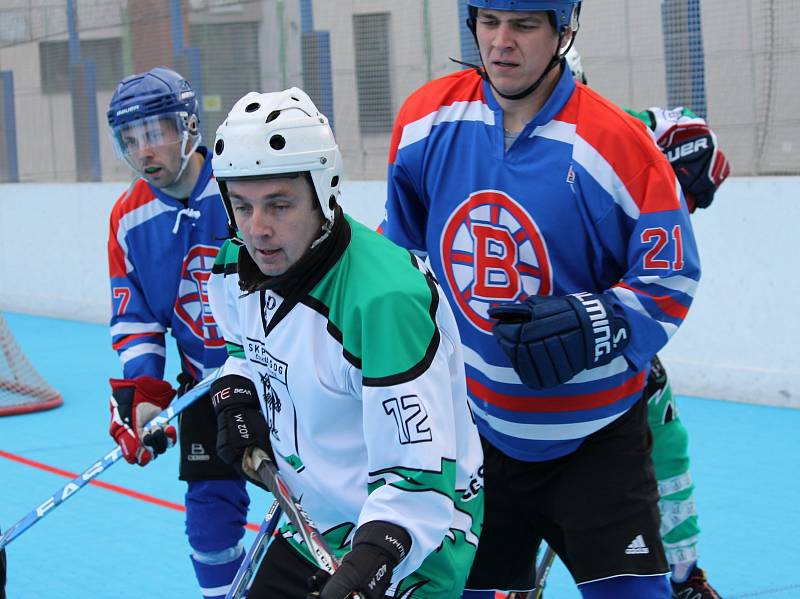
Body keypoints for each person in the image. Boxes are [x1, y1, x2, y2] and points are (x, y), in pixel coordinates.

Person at [381, 1, 702, 598]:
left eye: (525, 25)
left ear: (563, 31)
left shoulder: (618, 143)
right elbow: (402, 262)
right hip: (476, 438)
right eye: (489, 22)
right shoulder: (425, 121)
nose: (502, 42)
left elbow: (672, 276)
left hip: (598, 444)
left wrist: (599, 319)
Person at [206, 87, 484, 599]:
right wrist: (236, 395)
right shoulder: (234, 262)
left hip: (410, 545)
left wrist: (370, 565)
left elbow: (417, 481)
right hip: (308, 521)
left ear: (323, 191)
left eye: (279, 205)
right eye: (241, 206)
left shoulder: (383, 302)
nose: (258, 229)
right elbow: (242, 354)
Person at [567, 46, 729, 599]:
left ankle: (683, 575)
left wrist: (693, 171)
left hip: (603, 331)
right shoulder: (469, 145)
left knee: (667, 440)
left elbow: (688, 132)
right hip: (502, 349)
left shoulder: (617, 130)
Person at [106, 66, 250, 599]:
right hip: (203, 389)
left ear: (187, 126)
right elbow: (137, 318)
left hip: (285, 381)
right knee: (208, 529)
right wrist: (145, 397)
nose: (144, 151)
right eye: (130, 139)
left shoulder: (243, 182)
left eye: (155, 132)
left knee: (320, 510)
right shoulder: (127, 219)